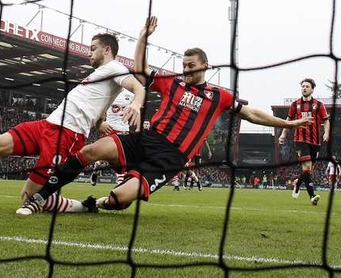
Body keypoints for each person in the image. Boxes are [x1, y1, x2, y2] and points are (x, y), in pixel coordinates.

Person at [16, 17, 312, 215]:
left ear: (205, 65)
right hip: (147, 139)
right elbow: (142, 70)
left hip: (170, 157)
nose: (186, 68)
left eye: (191, 64)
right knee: (91, 150)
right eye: (184, 64)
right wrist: (143, 38)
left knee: (120, 199)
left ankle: (100, 203)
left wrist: (289, 123)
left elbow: (252, 114)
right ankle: (42, 197)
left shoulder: (219, 96)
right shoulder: (172, 82)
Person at [0, 33, 146, 213]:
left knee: (29, 196)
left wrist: (135, 104)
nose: (88, 53)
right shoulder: (102, 75)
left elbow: (138, 86)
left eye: (92, 49)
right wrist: (100, 122)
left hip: (66, 135)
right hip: (48, 124)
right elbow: (99, 107)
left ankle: (84, 206)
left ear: (107, 50)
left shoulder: (115, 68)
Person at [278, 78, 330, 205]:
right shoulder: (295, 105)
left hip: (315, 141)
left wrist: (326, 133)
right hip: (300, 139)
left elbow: (326, 120)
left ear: (312, 89)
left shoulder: (318, 105)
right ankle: (312, 196)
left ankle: (297, 182)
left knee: (309, 169)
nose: (304, 88)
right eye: (303, 86)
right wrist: (283, 134)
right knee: (306, 167)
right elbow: (288, 120)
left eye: (307, 86)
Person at [90, 90, 134, 186]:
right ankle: (97, 167)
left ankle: (120, 184)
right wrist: (100, 122)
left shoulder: (131, 94)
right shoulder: (109, 91)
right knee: (104, 158)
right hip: (110, 129)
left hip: (124, 129)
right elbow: (99, 109)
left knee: (123, 159)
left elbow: (137, 105)